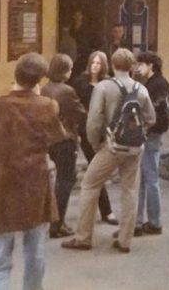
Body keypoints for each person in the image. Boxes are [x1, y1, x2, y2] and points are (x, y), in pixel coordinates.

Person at [0, 52, 66, 290]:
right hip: (35, 185)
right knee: (35, 253)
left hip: (1, 185)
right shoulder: (47, 107)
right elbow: (58, 136)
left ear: (16, 75)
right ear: (39, 80)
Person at [62, 48, 155, 254]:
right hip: (135, 147)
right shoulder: (141, 89)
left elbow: (94, 121)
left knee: (90, 184)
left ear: (112, 65)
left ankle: (83, 237)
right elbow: (151, 118)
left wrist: (96, 143)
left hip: (111, 145)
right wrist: (137, 133)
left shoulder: (104, 87)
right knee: (130, 190)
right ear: (131, 66)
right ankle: (125, 240)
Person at [69, 51, 119, 226]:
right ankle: (106, 210)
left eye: (98, 63)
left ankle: (104, 210)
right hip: (86, 130)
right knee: (94, 169)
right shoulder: (80, 83)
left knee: (96, 171)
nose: (95, 66)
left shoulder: (108, 84)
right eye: (93, 63)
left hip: (103, 131)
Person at [41, 54, 87, 238]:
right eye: (69, 69)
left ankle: (53, 218)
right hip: (65, 139)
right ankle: (58, 223)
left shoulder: (45, 89)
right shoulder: (66, 91)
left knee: (61, 179)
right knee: (65, 181)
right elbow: (80, 114)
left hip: (50, 138)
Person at [132, 51, 169, 236]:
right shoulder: (161, 83)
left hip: (150, 133)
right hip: (155, 133)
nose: (138, 67)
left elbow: (155, 111)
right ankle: (144, 221)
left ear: (150, 66)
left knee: (148, 178)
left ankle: (152, 221)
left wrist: (146, 127)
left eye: (141, 64)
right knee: (148, 177)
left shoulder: (154, 86)